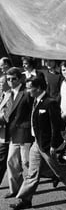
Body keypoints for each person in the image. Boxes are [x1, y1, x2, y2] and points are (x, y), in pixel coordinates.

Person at [11, 77, 66, 210]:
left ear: (39, 88)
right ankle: (25, 200)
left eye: (30, 88)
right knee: (32, 173)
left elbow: (56, 126)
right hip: (36, 143)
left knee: (61, 172)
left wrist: (53, 144)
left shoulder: (50, 103)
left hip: (47, 145)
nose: (28, 90)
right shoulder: (35, 101)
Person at [3, 68, 33, 199]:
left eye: (13, 79)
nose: (10, 81)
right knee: (11, 161)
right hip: (12, 133)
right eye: (8, 79)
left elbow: (33, 111)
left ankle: (26, 192)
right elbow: (7, 114)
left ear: (20, 78)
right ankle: (14, 189)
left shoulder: (26, 92)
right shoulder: (8, 93)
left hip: (24, 132)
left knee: (26, 162)